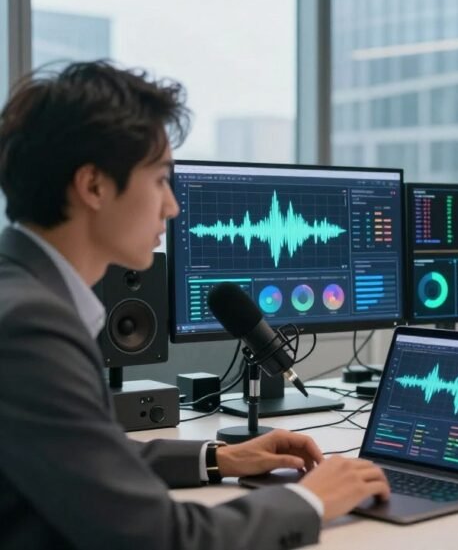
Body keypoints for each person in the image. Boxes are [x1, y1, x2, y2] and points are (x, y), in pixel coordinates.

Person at [0, 61, 390, 549]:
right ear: (93, 185)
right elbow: (160, 538)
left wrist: (218, 458)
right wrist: (311, 500)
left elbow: (81, 457)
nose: (173, 206)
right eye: (160, 179)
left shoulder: (21, 294)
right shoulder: (29, 328)